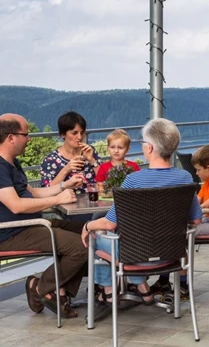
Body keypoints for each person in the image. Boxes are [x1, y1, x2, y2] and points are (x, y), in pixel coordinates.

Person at [0, 113, 87, 318]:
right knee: (81, 246)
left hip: (31, 224)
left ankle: (56, 292)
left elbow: (33, 193)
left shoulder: (11, 163)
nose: (29, 138)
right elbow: (16, 206)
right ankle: (40, 288)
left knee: (88, 232)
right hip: (11, 234)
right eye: (26, 134)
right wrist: (58, 199)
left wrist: (64, 186)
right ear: (10, 137)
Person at [81, 118, 202, 309]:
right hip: (173, 255)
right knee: (123, 241)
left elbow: (109, 224)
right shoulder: (186, 178)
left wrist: (87, 226)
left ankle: (109, 293)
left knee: (98, 235)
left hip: (136, 256)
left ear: (150, 148)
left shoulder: (133, 180)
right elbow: (196, 219)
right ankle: (141, 289)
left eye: (144, 143)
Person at [41, 111, 103, 194]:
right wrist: (67, 168)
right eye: (74, 133)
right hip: (66, 203)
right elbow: (46, 191)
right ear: (63, 134)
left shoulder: (90, 151)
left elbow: (105, 181)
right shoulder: (51, 160)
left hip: (92, 200)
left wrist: (92, 160)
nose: (80, 137)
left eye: (82, 132)